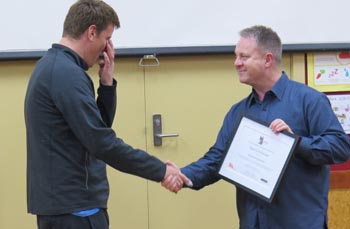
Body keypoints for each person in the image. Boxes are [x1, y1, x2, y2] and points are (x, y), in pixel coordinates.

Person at [162, 25, 350, 228]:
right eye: (236, 57)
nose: (236, 63)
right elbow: (217, 159)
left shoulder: (309, 100)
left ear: (268, 60)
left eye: (244, 57)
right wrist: (182, 175)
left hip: (300, 222)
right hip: (254, 223)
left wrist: (295, 142)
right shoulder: (237, 112)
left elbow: (340, 147)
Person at [24, 1, 188, 228]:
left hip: (69, 207)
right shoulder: (65, 74)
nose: (107, 47)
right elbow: (102, 142)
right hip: (75, 211)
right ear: (91, 32)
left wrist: (107, 84)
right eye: (107, 38)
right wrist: (161, 170)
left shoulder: (56, 67)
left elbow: (94, 130)